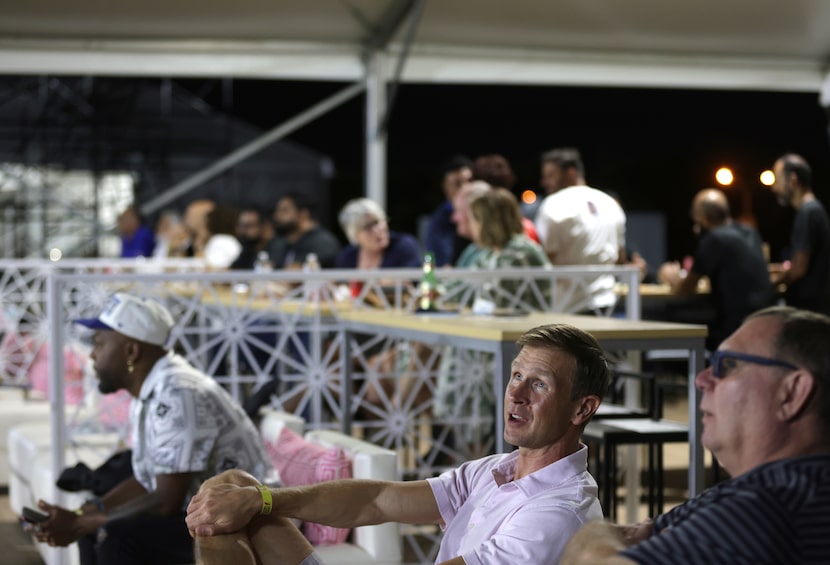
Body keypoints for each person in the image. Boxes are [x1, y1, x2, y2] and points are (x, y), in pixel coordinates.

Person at [186, 323, 610, 564]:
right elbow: (379, 500)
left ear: (581, 409)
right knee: (233, 487)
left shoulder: (557, 513)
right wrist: (261, 501)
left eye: (539, 384)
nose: (516, 395)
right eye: (517, 376)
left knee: (232, 507)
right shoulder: (497, 469)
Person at [562, 306, 830, 564]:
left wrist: (592, 540)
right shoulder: (752, 496)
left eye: (728, 365)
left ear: (793, 392)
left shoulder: (765, 509)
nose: (700, 379)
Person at [28, 293, 276, 565]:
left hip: (253, 524)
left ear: (131, 352)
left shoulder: (178, 394)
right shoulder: (154, 388)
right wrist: (84, 514)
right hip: (210, 513)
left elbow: (165, 500)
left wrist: (86, 523)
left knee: (117, 536)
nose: (92, 355)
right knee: (96, 529)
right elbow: (148, 480)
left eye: (99, 344)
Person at [658, 188, 773, 350]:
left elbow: (686, 288)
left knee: (667, 316)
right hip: (765, 318)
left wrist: (671, 277)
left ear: (703, 219)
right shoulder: (750, 231)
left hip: (735, 324)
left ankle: (673, 370)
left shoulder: (714, 239)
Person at [534, 147, 626, 313]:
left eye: (550, 175)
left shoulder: (553, 205)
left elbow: (544, 260)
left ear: (570, 173)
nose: (544, 182)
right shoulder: (610, 203)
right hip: (607, 305)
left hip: (567, 308)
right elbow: (620, 258)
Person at [768, 153, 830, 315]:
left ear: (793, 179)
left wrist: (771, 284)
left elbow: (799, 269)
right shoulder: (813, 209)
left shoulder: (807, 212)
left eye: (778, 180)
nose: (774, 187)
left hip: (811, 307)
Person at [335, 197, 422, 270]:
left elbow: (409, 282)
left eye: (377, 222)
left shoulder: (403, 246)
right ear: (355, 236)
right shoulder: (347, 257)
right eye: (367, 227)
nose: (377, 230)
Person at [265, 192, 341, 270]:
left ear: (303, 214)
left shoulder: (323, 242)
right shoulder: (282, 243)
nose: (277, 216)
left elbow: (296, 273)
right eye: (277, 211)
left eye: (284, 211)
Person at [424, 155, 473, 267]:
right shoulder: (438, 222)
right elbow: (442, 266)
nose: (465, 188)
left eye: (470, 181)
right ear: (445, 186)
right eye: (457, 183)